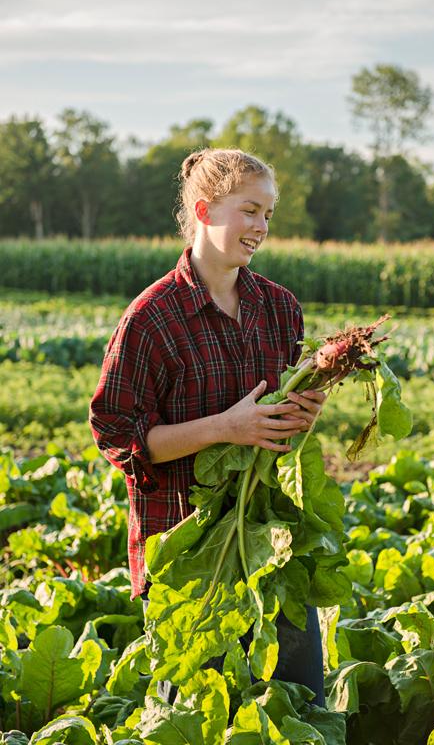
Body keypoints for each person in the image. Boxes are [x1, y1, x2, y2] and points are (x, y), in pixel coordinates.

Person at [89, 147, 326, 705]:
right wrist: (225, 428)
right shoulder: (151, 318)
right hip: (188, 553)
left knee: (303, 708)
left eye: (268, 214)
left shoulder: (280, 308)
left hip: (271, 541)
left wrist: (303, 413)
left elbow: (277, 419)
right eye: (249, 210)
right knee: (193, 717)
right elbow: (117, 435)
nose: (262, 227)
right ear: (205, 211)